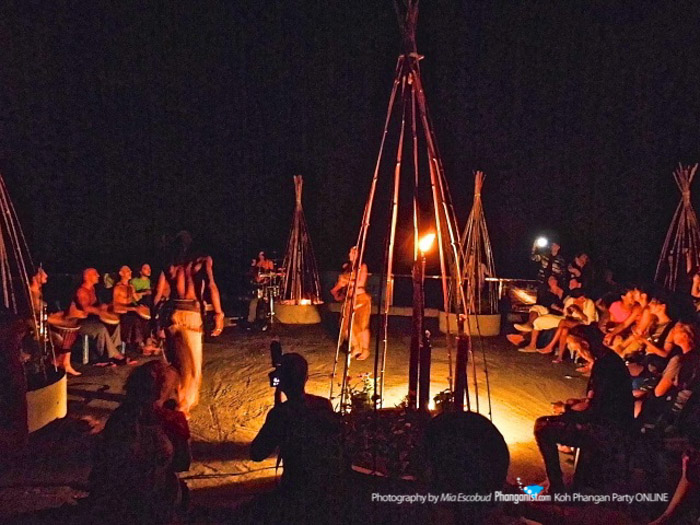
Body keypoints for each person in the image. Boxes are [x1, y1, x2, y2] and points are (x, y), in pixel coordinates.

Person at [87, 361, 190, 524]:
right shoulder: (172, 421)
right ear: (162, 393)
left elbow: (104, 463)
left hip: (116, 499)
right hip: (154, 498)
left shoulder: (119, 417)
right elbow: (182, 463)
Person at [534, 340, 634, 493]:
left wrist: (567, 410)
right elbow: (600, 400)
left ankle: (555, 486)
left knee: (543, 427)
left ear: (586, 345)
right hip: (611, 421)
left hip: (608, 429)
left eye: (578, 350)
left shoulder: (604, 367)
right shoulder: (609, 360)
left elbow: (594, 410)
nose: (580, 354)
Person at [251, 353, 343, 498]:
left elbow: (256, 453)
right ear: (306, 378)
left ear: (281, 381)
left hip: (296, 488)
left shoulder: (281, 414)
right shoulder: (324, 404)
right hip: (326, 485)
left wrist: (276, 420)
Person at [153, 231, 224, 416]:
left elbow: (157, 295)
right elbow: (211, 285)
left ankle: (173, 397)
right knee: (191, 365)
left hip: (173, 314)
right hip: (191, 315)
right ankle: (182, 407)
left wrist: (156, 322)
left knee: (175, 363)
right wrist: (218, 313)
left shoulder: (170, 266)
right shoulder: (201, 262)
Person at [69, 268, 132, 366]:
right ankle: (113, 356)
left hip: (91, 320)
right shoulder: (81, 291)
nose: (98, 275)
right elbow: (86, 308)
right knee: (101, 328)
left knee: (115, 323)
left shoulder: (93, 289)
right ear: (87, 277)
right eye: (95, 274)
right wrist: (100, 311)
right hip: (79, 323)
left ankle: (114, 352)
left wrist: (106, 307)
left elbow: (97, 307)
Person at [330, 246, 371, 360]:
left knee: (362, 325)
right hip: (349, 300)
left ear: (358, 254)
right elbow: (340, 285)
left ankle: (365, 350)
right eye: (350, 252)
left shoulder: (362, 267)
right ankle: (356, 346)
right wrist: (336, 292)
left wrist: (346, 281)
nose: (350, 254)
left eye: (353, 253)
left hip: (360, 298)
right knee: (346, 326)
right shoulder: (347, 268)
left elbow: (360, 282)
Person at [113, 265, 149, 353]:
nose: (130, 272)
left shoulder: (131, 286)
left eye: (130, 271)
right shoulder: (117, 288)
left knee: (145, 317)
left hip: (131, 310)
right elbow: (115, 307)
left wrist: (142, 306)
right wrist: (133, 309)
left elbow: (136, 299)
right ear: (121, 273)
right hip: (122, 312)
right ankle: (139, 344)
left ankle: (146, 341)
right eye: (127, 271)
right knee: (134, 319)